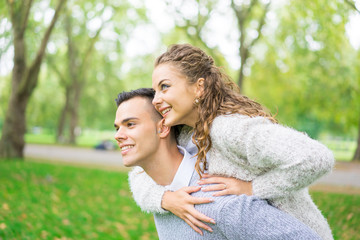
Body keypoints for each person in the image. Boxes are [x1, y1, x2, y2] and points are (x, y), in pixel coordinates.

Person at [129, 44, 335, 240]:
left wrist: (253, 188)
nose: (155, 99)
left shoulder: (229, 128)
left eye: (165, 87)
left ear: (199, 87)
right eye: (155, 91)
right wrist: (165, 199)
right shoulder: (185, 134)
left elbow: (316, 158)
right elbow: (140, 173)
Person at [114, 88, 322, 239]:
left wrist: (253, 188)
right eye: (117, 128)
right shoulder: (160, 193)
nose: (118, 136)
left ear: (162, 128)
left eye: (130, 124)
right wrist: (164, 199)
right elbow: (137, 177)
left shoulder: (219, 203)